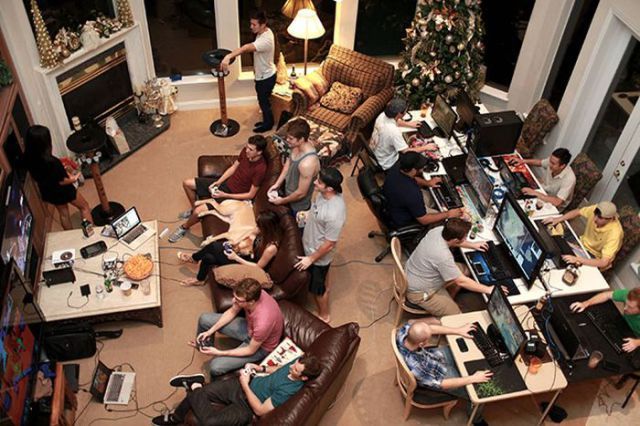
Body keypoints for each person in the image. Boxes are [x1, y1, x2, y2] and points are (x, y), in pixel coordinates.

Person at [152, 355, 322, 426]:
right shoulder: (296, 363)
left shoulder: (289, 390)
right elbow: (279, 368)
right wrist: (259, 368)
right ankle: (175, 418)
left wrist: (245, 384)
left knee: (210, 422)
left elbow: (260, 410)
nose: (291, 367)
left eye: (295, 369)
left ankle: (195, 386)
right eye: (294, 364)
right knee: (205, 393)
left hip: (247, 408)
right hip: (241, 385)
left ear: (303, 378)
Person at [170, 136, 268, 243]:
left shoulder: (260, 169)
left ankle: (184, 227)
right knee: (187, 183)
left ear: (259, 152)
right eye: (247, 147)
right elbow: (233, 167)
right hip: (226, 184)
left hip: (233, 196)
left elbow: (250, 195)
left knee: (198, 212)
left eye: (251, 149)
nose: (247, 150)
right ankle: (193, 209)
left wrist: (225, 195)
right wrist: (218, 182)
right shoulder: (245, 152)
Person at [396, 321, 491, 425]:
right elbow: (442, 384)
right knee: (477, 391)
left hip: (431, 357)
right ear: (421, 344)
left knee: (462, 348)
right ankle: (476, 419)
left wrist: (458, 330)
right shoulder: (417, 367)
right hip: (436, 375)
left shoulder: (404, 331)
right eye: (429, 338)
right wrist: (472, 378)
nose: (430, 338)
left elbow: (430, 328)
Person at [190, 279, 284, 378]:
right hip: (250, 328)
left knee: (215, 367)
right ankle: (205, 346)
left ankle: (214, 353)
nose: (233, 301)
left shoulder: (263, 322)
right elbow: (232, 311)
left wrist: (219, 352)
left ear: (251, 302)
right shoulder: (255, 292)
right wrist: (210, 331)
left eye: (238, 300)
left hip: (260, 346)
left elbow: (250, 350)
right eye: (234, 296)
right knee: (204, 319)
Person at [405, 218, 497, 317]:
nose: (466, 239)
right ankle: (419, 320)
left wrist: (472, 245)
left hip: (414, 273)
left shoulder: (438, 230)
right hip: (419, 292)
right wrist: (489, 289)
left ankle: (449, 300)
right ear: (456, 240)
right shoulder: (443, 256)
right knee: (456, 317)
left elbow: (453, 241)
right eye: (465, 237)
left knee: (465, 270)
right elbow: (461, 281)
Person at [294, 168, 347, 323]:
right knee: (323, 279)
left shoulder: (334, 214)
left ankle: (324, 315)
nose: (314, 182)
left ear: (329, 188)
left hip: (318, 255)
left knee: (317, 289)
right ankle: (326, 283)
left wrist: (310, 259)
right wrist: (307, 215)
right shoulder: (321, 194)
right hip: (310, 241)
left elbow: (329, 244)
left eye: (319, 182)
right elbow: (316, 210)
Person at [177, 210, 282, 287]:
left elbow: (258, 267)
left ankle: (194, 258)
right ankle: (200, 279)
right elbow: (251, 233)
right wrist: (235, 243)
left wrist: (236, 258)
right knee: (208, 257)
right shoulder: (263, 232)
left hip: (247, 263)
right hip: (245, 254)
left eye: (259, 226)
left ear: (267, 228)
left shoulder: (271, 248)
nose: (256, 228)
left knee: (213, 246)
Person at [23, 125, 92, 230]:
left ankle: (70, 235)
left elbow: (44, 176)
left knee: (64, 213)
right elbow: (63, 181)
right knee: (84, 207)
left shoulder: (28, 159)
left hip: (49, 191)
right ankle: (90, 231)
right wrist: (75, 176)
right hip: (63, 190)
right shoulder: (52, 162)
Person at [221, 9, 276, 133]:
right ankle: (266, 121)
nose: (251, 27)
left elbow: (246, 48)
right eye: (251, 24)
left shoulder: (266, 40)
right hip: (262, 75)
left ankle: (268, 124)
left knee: (264, 103)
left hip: (266, 78)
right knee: (262, 101)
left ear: (263, 24)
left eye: (254, 24)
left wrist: (228, 56)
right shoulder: (266, 31)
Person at [383, 151, 463, 229]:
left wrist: (428, 183)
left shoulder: (398, 167)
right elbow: (423, 220)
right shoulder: (411, 192)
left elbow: (412, 178)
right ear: (413, 170)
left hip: (396, 202)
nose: (422, 168)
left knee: (433, 197)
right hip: (405, 217)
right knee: (443, 217)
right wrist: (448, 214)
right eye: (421, 167)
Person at [543, 201, 623, 270]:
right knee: (552, 241)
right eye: (595, 215)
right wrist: (558, 219)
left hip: (593, 255)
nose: (595, 219)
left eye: (599, 218)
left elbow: (604, 262)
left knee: (564, 261)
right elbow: (578, 212)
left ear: (610, 219)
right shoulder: (597, 209)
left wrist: (577, 259)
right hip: (581, 242)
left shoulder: (615, 233)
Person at [370, 98, 439, 171]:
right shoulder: (393, 131)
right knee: (416, 159)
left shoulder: (382, 115)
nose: (406, 112)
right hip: (386, 162)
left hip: (376, 154)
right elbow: (406, 152)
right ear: (399, 114)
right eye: (406, 111)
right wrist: (426, 147)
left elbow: (396, 121)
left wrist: (409, 124)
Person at [268, 119, 320, 215]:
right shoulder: (296, 146)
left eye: (291, 138)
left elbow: (301, 193)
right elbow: (288, 164)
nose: (287, 140)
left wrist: (282, 201)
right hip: (288, 192)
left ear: (301, 139)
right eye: (287, 137)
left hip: (298, 205)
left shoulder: (307, 164)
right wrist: (277, 184)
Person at [570, 287, 640, 353]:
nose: (625, 308)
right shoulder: (629, 295)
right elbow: (606, 295)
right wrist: (586, 303)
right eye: (626, 303)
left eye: (630, 307)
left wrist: (637, 342)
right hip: (624, 325)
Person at [509, 148, 576, 210]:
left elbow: (557, 202)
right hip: (542, 190)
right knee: (515, 187)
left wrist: (534, 193)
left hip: (552, 204)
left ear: (562, 166)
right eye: (550, 161)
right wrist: (522, 161)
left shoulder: (569, 179)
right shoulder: (552, 162)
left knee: (522, 207)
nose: (549, 164)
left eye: (553, 163)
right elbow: (540, 162)